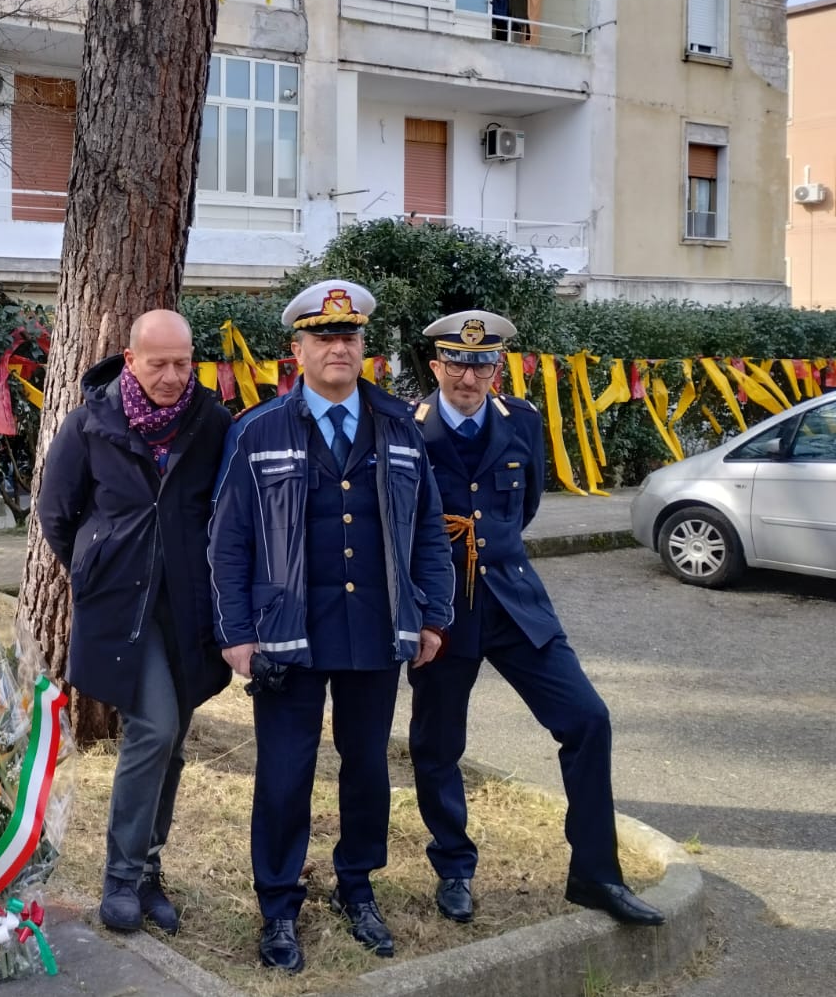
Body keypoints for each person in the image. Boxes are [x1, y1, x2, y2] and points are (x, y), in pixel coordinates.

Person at [208, 279, 454, 973]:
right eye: (322, 337)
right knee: (285, 773)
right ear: (298, 350)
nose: (337, 347)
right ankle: (279, 904)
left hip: (374, 630)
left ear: (363, 348)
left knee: (367, 766)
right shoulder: (255, 431)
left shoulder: (401, 427)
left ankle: (357, 885)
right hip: (287, 633)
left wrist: (434, 614)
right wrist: (235, 632)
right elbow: (225, 541)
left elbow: (429, 528)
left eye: (348, 337)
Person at [407, 310, 665, 928]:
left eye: (482, 364)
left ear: (497, 367)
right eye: (458, 364)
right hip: (443, 610)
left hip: (516, 603)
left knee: (587, 719)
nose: (470, 376)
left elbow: (518, 511)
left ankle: (596, 874)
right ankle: (454, 868)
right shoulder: (405, 429)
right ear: (437, 366)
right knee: (438, 745)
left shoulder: (521, 421)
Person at [36, 310, 232, 934]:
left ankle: (148, 871)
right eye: (159, 364)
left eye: (183, 363)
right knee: (155, 727)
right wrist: (95, 567)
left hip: (189, 608)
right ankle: (120, 876)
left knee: (172, 740)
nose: (174, 376)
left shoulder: (213, 423)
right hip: (123, 608)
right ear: (131, 359)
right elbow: (56, 511)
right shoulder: (92, 422)